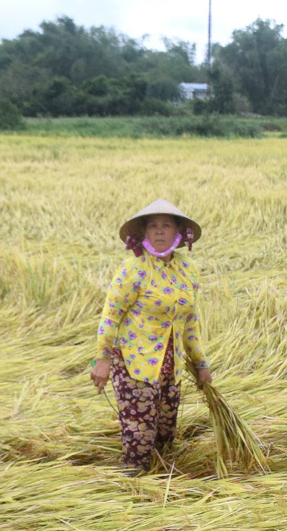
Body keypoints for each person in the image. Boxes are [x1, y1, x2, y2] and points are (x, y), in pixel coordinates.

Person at [91, 200, 214, 474]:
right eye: (153, 225)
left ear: (178, 232)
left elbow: (190, 322)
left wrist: (201, 364)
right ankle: (133, 495)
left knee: (164, 437)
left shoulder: (187, 270)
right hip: (136, 365)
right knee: (139, 439)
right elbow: (111, 315)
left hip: (170, 368)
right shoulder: (133, 269)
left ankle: (163, 493)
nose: (159, 231)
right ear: (144, 232)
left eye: (166, 225)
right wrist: (103, 359)